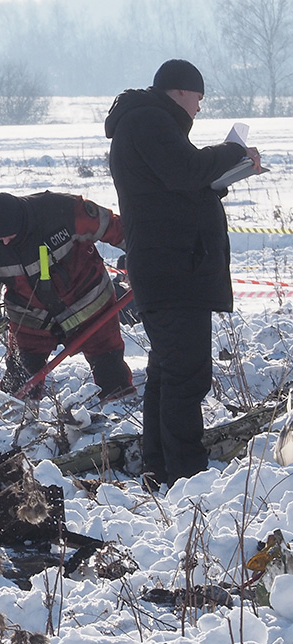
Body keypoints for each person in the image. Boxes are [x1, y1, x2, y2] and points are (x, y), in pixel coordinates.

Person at [105, 58, 261, 488]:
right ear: (180, 90)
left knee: (168, 373)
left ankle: (158, 468)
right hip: (173, 270)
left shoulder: (144, 123)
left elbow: (174, 185)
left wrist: (228, 173)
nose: (199, 109)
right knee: (188, 376)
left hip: (168, 269)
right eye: (198, 99)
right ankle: (186, 473)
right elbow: (184, 171)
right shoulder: (150, 122)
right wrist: (234, 153)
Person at [0, 191, 133, 401]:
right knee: (20, 380)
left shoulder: (63, 210)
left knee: (110, 368)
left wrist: (145, 256)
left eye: (9, 236)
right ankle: (18, 425)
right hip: (30, 317)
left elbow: (118, 229)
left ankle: (118, 412)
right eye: (0, 239)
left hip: (90, 305)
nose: (5, 242)